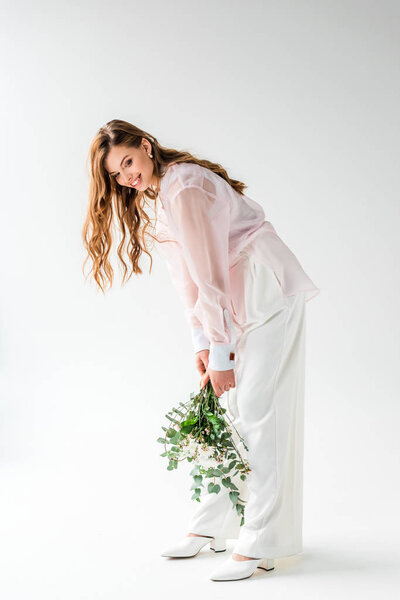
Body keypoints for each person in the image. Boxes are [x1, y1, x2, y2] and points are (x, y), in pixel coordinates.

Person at [82, 119, 320, 582]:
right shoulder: (158, 196)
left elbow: (210, 271)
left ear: (147, 147)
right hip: (234, 297)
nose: (127, 177)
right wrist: (203, 341)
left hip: (262, 285)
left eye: (128, 162)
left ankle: (260, 542)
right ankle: (213, 524)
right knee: (224, 410)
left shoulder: (184, 184)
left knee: (255, 409)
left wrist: (222, 353)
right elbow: (185, 276)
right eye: (116, 174)